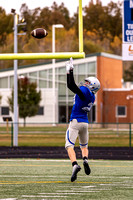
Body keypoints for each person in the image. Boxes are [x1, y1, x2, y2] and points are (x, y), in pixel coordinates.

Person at [65, 57, 100, 182]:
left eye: (87, 83)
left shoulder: (85, 92)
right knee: (84, 146)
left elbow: (71, 85)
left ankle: (75, 164)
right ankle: (85, 159)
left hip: (75, 122)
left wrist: (70, 70)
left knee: (69, 145)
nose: (85, 84)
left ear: (91, 86)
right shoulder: (92, 97)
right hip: (85, 123)